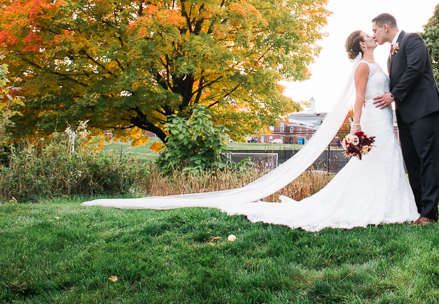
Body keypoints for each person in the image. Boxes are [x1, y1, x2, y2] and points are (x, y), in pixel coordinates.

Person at [83, 30, 419, 232]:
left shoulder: (379, 63)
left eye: (372, 34)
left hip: (384, 121)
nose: (372, 36)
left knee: (384, 163)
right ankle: (372, 207)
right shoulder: (362, 66)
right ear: (360, 45)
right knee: (369, 166)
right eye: (367, 35)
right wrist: (356, 126)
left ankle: (393, 206)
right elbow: (357, 99)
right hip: (369, 122)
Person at [371, 13, 439, 225]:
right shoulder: (390, 54)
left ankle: (430, 214)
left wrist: (393, 95)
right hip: (404, 115)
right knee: (412, 163)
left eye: (375, 30)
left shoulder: (412, 40)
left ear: (386, 27)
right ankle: (418, 210)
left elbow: (415, 69)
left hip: (424, 110)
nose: (373, 35)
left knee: (427, 161)